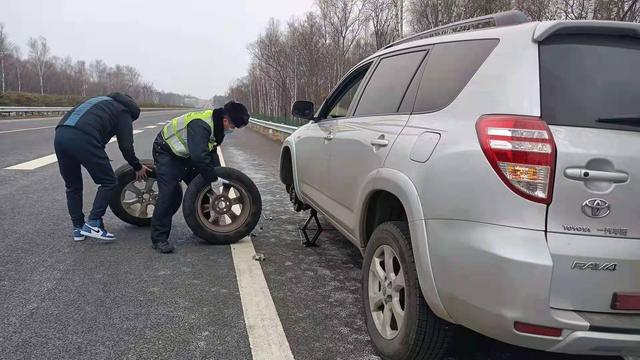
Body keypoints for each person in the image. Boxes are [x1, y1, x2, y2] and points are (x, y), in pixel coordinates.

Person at [150, 101, 250, 253]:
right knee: (168, 193)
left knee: (203, 187)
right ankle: (159, 238)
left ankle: (203, 227)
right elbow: (199, 157)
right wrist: (213, 178)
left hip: (187, 154)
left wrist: (217, 175)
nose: (232, 129)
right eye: (233, 126)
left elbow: (211, 151)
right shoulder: (201, 125)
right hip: (167, 151)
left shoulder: (217, 127)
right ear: (225, 120)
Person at [54, 93, 150, 241]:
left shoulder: (98, 101)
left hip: (60, 135)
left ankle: (78, 228)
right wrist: (137, 166)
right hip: (84, 138)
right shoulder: (123, 112)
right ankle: (93, 223)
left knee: (73, 186)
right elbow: (126, 146)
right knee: (109, 182)